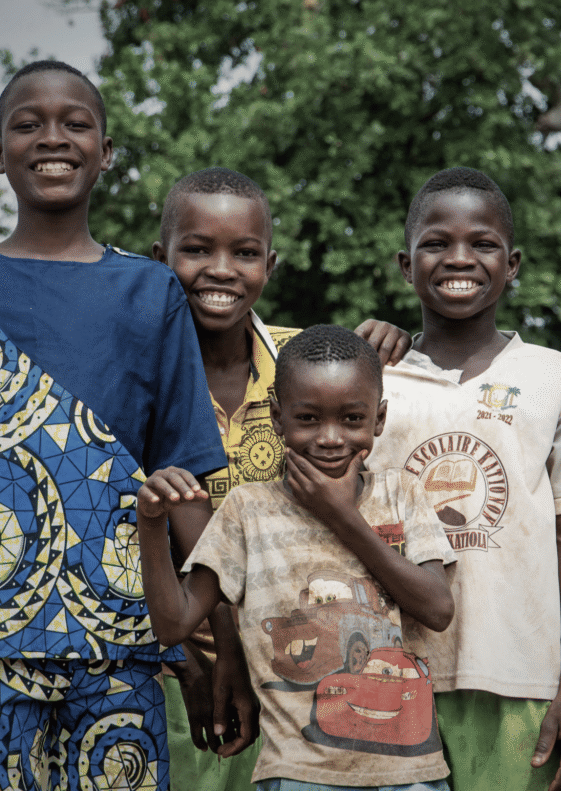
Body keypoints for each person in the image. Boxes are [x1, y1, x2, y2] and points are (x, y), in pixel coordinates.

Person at [0, 60, 231, 791]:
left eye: (76, 122)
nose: (53, 137)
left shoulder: (153, 290)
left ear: (105, 151)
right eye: (28, 123)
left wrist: (224, 643)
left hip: (120, 652)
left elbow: (187, 483)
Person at [152, 167, 413, 790]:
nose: (221, 270)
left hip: (304, 676)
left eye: (244, 253)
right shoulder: (138, 379)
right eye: (196, 250)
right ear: (159, 258)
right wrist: (190, 657)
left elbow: (367, 408)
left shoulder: (304, 365)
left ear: (270, 264)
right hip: (173, 669)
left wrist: (401, 339)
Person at [363, 167, 561, 791]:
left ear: (513, 262)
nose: (459, 258)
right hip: (393, 673)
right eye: (437, 243)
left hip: (524, 675)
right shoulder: (371, 381)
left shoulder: (557, 378)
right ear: (405, 263)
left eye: (483, 243)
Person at [136, 324, 458, 790]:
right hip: (297, 774)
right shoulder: (249, 510)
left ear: (379, 418)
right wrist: (151, 524)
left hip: (411, 775)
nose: (330, 438)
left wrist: (344, 517)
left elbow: (438, 608)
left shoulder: (401, 493)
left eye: (352, 419)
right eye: (308, 419)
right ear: (277, 416)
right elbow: (172, 624)